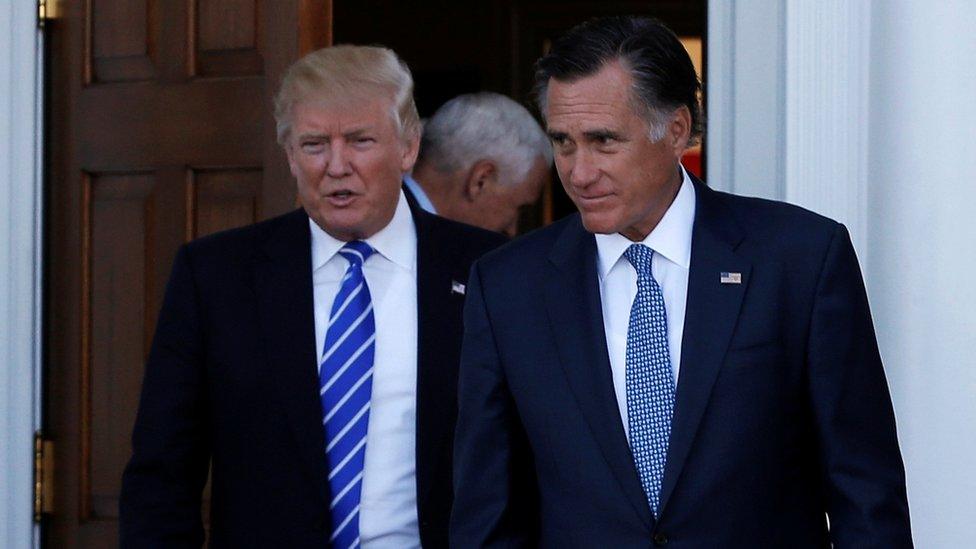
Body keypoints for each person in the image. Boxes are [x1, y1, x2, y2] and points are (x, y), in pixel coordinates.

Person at [450, 16, 913, 548]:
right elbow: (487, 514)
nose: (578, 172)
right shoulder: (509, 286)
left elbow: (865, 492)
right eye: (563, 142)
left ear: (676, 130)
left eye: (603, 141)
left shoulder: (799, 259)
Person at [119, 45, 504, 548]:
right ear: (289, 155)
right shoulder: (217, 276)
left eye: (361, 141)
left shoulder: (487, 271)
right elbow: (161, 476)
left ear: (408, 148)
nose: (336, 166)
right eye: (315, 144)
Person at [405, 92, 551, 235]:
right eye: (519, 208)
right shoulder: (406, 235)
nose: (512, 230)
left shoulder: (396, 217)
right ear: (481, 180)